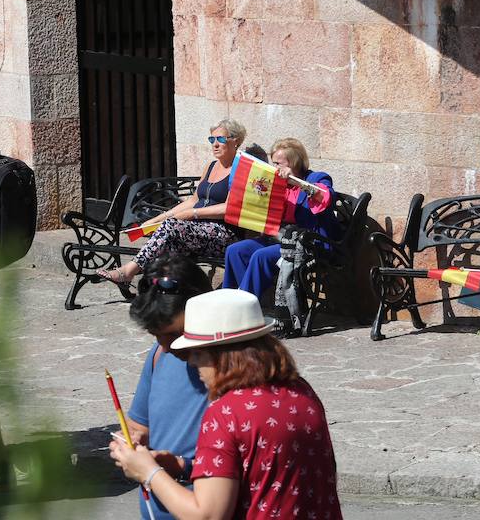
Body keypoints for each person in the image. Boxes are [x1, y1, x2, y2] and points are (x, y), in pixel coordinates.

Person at [110, 289, 342, 520]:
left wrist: (149, 472)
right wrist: (183, 465)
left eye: (198, 354)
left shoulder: (226, 413)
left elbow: (207, 515)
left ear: (223, 355)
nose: (192, 362)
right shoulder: (301, 391)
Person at [97, 120, 247, 285]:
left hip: (223, 234)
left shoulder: (241, 170)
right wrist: (157, 219)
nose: (215, 144)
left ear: (236, 141)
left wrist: (192, 214)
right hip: (195, 230)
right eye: (212, 140)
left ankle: (128, 272)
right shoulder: (210, 166)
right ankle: (162, 290)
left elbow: (229, 207)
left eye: (221, 139)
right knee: (168, 240)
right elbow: (194, 200)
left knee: (170, 229)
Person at [125, 254, 212, 520]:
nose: (167, 347)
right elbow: (139, 426)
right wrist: (131, 441)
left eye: (175, 335)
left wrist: (181, 467)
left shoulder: (226, 371)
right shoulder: (159, 354)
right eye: (157, 337)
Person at [222, 138, 339, 302]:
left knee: (260, 256)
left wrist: (296, 182)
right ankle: (235, 301)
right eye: (273, 163)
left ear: (294, 163)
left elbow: (327, 197)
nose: (275, 168)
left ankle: (245, 306)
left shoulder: (317, 178)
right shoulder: (277, 182)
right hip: (280, 237)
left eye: (279, 164)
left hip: (307, 242)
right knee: (235, 251)